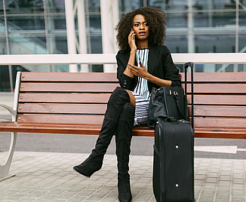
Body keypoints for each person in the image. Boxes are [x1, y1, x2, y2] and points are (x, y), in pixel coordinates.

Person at [73, 7, 181, 202]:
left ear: (152, 26)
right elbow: (125, 84)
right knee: (123, 109)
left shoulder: (161, 52)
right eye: (137, 24)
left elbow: (175, 83)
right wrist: (132, 51)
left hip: (153, 106)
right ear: (130, 29)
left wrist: (148, 76)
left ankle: (97, 156)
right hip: (132, 104)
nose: (142, 28)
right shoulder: (123, 55)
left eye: (145, 24)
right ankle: (123, 178)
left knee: (118, 96)